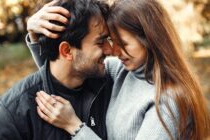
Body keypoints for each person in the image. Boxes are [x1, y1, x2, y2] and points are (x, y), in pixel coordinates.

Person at [28, 0, 210, 139]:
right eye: (111, 41)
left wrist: (75, 127)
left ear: (151, 40)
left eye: (122, 44)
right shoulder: (122, 71)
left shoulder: (168, 101)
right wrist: (36, 35)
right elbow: (69, 69)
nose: (113, 51)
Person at [0, 0, 114, 139]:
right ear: (67, 51)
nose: (110, 49)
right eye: (100, 42)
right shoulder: (12, 113)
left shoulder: (108, 85)